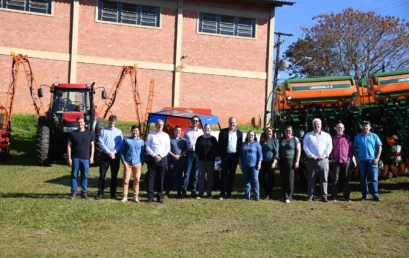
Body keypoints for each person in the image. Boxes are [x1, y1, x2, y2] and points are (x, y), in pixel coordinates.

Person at [303, 118, 333, 202]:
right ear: (313, 125)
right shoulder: (308, 135)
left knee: (324, 178)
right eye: (315, 124)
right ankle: (311, 195)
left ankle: (324, 196)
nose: (317, 125)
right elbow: (305, 147)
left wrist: (323, 155)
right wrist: (312, 156)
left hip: (323, 160)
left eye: (318, 124)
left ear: (321, 125)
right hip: (312, 160)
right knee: (311, 178)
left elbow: (329, 146)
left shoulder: (326, 135)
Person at [353, 121, 382, 201]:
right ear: (362, 127)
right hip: (362, 161)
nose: (365, 128)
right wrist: (357, 158)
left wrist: (377, 158)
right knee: (363, 179)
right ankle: (364, 195)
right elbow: (354, 148)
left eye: (367, 126)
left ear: (370, 127)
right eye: (364, 126)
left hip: (372, 161)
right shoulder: (358, 137)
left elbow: (379, 147)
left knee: (374, 179)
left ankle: (375, 195)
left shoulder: (374, 136)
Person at [67, 116, 95, 199]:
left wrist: (92, 157)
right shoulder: (73, 134)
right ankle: (74, 193)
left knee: (85, 176)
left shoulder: (89, 133)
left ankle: (84, 193)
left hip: (86, 158)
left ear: (84, 123)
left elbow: (92, 145)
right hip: (76, 158)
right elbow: (69, 146)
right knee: (74, 176)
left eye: (81, 122)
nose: (80, 124)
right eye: (78, 122)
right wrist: (69, 158)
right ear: (76, 123)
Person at [96, 115, 123, 200]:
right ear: (109, 121)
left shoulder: (119, 132)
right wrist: (109, 152)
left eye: (114, 122)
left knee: (114, 176)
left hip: (115, 156)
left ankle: (113, 194)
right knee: (102, 175)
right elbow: (101, 143)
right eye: (111, 122)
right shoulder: (103, 131)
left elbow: (120, 144)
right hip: (105, 156)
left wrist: (114, 152)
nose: (112, 123)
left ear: (116, 122)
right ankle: (100, 193)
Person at [216, 117, 243, 200]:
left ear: (236, 123)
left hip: (234, 156)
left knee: (232, 175)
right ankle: (222, 193)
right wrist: (219, 155)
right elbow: (219, 144)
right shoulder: (223, 132)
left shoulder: (239, 133)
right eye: (231, 122)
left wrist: (239, 158)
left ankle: (229, 193)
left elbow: (240, 146)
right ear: (228, 123)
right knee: (224, 175)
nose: (232, 124)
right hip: (225, 156)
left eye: (234, 122)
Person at [145, 119, 170, 203]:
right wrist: (154, 155)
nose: (160, 126)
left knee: (161, 178)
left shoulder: (166, 135)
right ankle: (150, 196)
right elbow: (147, 147)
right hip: (152, 158)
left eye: (161, 125)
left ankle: (160, 196)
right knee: (151, 177)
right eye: (158, 124)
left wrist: (160, 156)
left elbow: (168, 148)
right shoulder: (151, 135)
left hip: (162, 159)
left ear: (163, 126)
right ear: (155, 125)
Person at [120, 125, 145, 203]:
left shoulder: (141, 142)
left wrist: (141, 162)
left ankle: (135, 196)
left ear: (138, 132)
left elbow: (143, 153)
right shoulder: (126, 140)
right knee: (126, 180)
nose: (135, 132)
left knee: (137, 180)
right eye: (133, 130)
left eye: (136, 131)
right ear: (131, 131)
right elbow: (121, 152)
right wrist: (123, 161)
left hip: (137, 163)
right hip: (128, 163)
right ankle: (125, 196)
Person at [329, 122, 353, 202]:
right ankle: (334, 196)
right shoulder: (333, 138)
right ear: (336, 128)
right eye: (338, 127)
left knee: (346, 179)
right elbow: (330, 149)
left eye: (341, 127)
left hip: (346, 161)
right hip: (336, 161)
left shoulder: (347, 138)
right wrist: (332, 157)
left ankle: (346, 197)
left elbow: (351, 148)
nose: (339, 129)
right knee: (335, 179)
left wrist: (349, 157)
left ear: (344, 129)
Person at [278, 125, 301, 203]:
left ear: (292, 132)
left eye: (289, 131)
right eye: (286, 131)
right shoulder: (281, 139)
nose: (288, 132)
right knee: (283, 178)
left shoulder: (295, 139)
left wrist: (297, 161)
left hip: (290, 160)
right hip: (281, 160)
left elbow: (298, 150)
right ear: (284, 131)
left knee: (290, 179)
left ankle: (289, 196)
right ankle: (284, 195)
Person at [195, 124, 218, 199]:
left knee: (210, 177)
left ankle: (209, 193)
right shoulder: (199, 138)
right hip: (201, 160)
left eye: (208, 128)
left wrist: (214, 157)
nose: (207, 129)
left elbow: (215, 150)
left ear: (210, 129)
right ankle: (200, 194)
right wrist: (200, 156)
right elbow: (197, 149)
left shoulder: (213, 139)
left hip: (210, 160)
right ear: (203, 129)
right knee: (201, 176)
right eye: (205, 128)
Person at [182, 116, 203, 198]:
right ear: (191, 121)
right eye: (193, 120)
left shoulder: (201, 132)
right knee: (187, 172)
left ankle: (193, 190)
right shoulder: (187, 131)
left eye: (196, 121)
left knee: (196, 173)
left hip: (198, 154)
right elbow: (184, 143)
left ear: (198, 123)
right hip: (189, 153)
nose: (195, 122)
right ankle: (184, 189)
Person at [239, 130, 262, 201]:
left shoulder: (257, 144)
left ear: (254, 136)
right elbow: (240, 155)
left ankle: (256, 196)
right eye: (249, 135)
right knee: (246, 180)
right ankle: (247, 195)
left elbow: (260, 155)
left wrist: (259, 163)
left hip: (254, 165)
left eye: (252, 135)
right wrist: (240, 163)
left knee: (255, 180)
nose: (250, 136)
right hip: (245, 165)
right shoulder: (243, 144)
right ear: (247, 136)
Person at [167, 125, 187, 198]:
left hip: (180, 161)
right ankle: (167, 192)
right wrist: (174, 155)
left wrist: (180, 156)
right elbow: (167, 149)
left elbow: (185, 150)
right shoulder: (169, 140)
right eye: (176, 130)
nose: (178, 132)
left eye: (179, 130)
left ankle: (179, 192)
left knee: (179, 177)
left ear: (180, 132)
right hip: (171, 161)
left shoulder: (183, 140)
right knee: (169, 176)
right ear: (174, 131)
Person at [259, 127, 279, 200]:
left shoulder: (274, 141)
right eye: (267, 131)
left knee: (270, 179)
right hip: (263, 162)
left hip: (271, 162)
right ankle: (268, 191)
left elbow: (276, 152)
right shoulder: (262, 141)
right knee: (260, 177)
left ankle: (268, 194)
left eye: (270, 131)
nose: (269, 133)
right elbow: (259, 150)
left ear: (272, 132)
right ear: (265, 133)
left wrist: (274, 162)